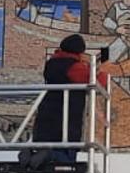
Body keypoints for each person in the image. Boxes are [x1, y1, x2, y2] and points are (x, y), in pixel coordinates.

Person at [29, 33, 97, 166]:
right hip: (66, 121)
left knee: (45, 156)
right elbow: (97, 80)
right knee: (64, 159)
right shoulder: (74, 67)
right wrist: (103, 70)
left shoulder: (52, 63)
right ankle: (49, 155)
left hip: (47, 117)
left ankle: (31, 155)